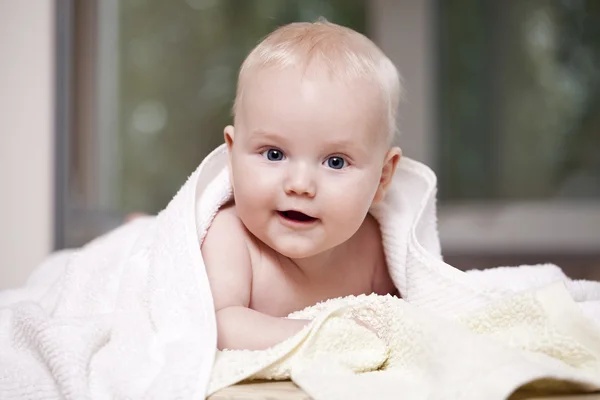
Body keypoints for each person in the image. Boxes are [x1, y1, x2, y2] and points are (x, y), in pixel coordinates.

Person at [202, 19, 403, 351]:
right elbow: (217, 326)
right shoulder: (230, 238)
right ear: (233, 154)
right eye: (275, 154)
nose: (300, 185)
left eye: (335, 162)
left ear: (382, 178)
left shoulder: (373, 249)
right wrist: (326, 334)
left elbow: (402, 319)